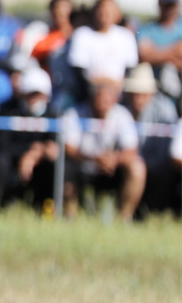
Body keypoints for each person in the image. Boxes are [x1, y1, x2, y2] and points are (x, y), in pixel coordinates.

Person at [59, 75, 143, 220]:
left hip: (112, 169)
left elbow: (131, 150)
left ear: (114, 100)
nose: (103, 103)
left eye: (107, 98)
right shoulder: (75, 113)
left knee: (137, 166)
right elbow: (68, 148)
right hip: (82, 167)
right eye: (100, 98)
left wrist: (114, 159)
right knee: (64, 164)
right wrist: (94, 158)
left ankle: (124, 218)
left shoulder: (122, 115)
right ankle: (70, 214)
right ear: (92, 97)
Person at [0, 67, 57, 210]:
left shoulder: (53, 117)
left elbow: (54, 149)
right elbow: (0, 144)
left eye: (37, 94)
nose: (33, 99)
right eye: (29, 94)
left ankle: (48, 206)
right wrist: (25, 154)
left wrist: (33, 156)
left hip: (39, 166)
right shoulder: (10, 112)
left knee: (54, 165)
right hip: (14, 163)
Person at [123, 62, 177, 217]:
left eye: (142, 94)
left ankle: (155, 215)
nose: (138, 99)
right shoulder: (121, 107)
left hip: (158, 168)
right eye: (134, 93)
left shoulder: (165, 110)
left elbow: (167, 152)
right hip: (126, 166)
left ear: (151, 93)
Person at [67, 0, 139, 95]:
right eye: (101, 11)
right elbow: (78, 69)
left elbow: (130, 67)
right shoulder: (81, 34)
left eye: (109, 12)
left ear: (118, 15)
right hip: (88, 93)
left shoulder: (126, 36)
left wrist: (115, 85)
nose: (104, 16)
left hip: (118, 94)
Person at [137, 0, 182, 98]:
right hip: (151, 93)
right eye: (166, 4)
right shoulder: (147, 28)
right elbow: (144, 55)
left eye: (171, 4)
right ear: (159, 3)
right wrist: (174, 52)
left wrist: (156, 53)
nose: (169, 9)